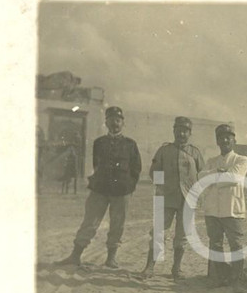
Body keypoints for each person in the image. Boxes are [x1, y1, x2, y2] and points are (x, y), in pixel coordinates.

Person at [55, 106, 142, 267]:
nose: (115, 123)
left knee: (117, 224)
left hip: (122, 191)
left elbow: (136, 169)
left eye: (118, 120)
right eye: (111, 120)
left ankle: (111, 258)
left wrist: (129, 186)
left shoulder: (131, 144)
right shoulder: (99, 143)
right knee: (90, 221)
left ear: (123, 123)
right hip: (100, 189)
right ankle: (75, 255)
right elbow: (96, 164)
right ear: (106, 122)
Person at [141, 116, 205, 280]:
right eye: (178, 130)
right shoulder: (164, 150)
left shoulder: (195, 152)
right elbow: (154, 171)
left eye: (185, 131)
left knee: (182, 235)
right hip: (167, 198)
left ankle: (176, 268)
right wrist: (162, 187)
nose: (181, 134)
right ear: (174, 131)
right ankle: (149, 267)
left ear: (189, 133)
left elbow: (200, 174)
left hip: (188, 199)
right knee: (158, 231)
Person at [198, 123, 247, 290]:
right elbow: (201, 177)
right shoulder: (212, 161)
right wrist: (218, 173)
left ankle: (237, 280)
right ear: (217, 141)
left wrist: (215, 177)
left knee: (236, 245)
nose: (225, 140)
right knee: (215, 244)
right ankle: (220, 277)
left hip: (232, 209)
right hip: (213, 209)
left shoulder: (241, 160)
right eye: (221, 138)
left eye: (228, 137)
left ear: (234, 140)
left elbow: (234, 178)